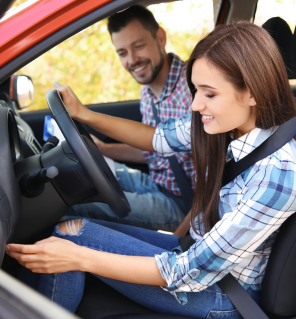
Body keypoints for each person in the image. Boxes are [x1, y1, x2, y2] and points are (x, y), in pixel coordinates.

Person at [7, 21, 296, 319]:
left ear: (252, 93)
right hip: (194, 252)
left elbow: (190, 271)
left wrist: (81, 258)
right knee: (69, 228)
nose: (195, 105)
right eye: (195, 90)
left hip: (223, 294)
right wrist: (85, 114)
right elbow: (157, 138)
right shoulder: (226, 127)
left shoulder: (278, 173)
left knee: (73, 242)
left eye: (209, 94)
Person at [67, 5, 195, 232]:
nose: (133, 60)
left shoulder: (192, 91)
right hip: (157, 183)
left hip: (182, 203)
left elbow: (214, 181)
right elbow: (151, 148)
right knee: (78, 184)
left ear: (161, 38)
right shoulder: (148, 91)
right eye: (122, 53)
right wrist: (104, 148)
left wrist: (178, 240)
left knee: (73, 210)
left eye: (138, 46)